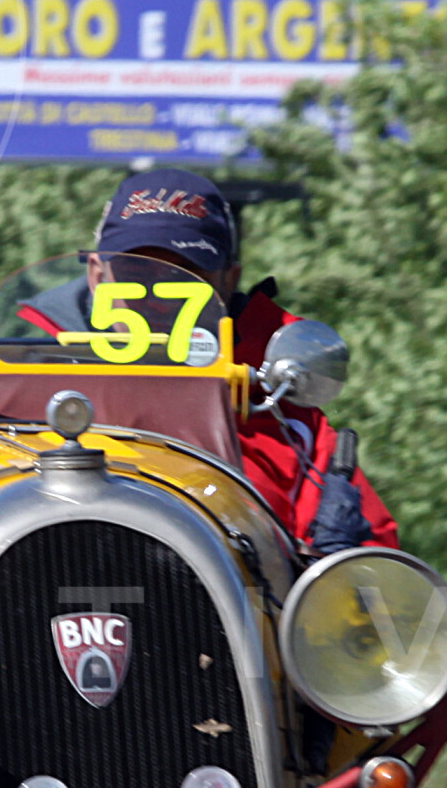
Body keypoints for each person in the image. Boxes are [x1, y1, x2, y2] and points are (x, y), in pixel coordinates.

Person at [34, 169, 398, 555]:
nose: (159, 296)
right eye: (136, 272)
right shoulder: (23, 386)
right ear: (97, 275)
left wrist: (336, 559)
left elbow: (377, 569)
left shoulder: (281, 408)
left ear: (228, 281)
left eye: (186, 275)